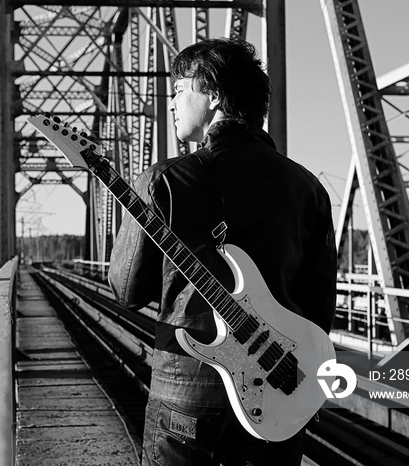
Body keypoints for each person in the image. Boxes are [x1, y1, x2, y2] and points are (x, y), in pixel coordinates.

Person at [108, 38, 336, 466]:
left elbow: (127, 291)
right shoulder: (308, 188)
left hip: (185, 395)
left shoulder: (163, 181)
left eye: (179, 89)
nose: (172, 102)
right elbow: (319, 308)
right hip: (277, 394)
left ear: (213, 95)